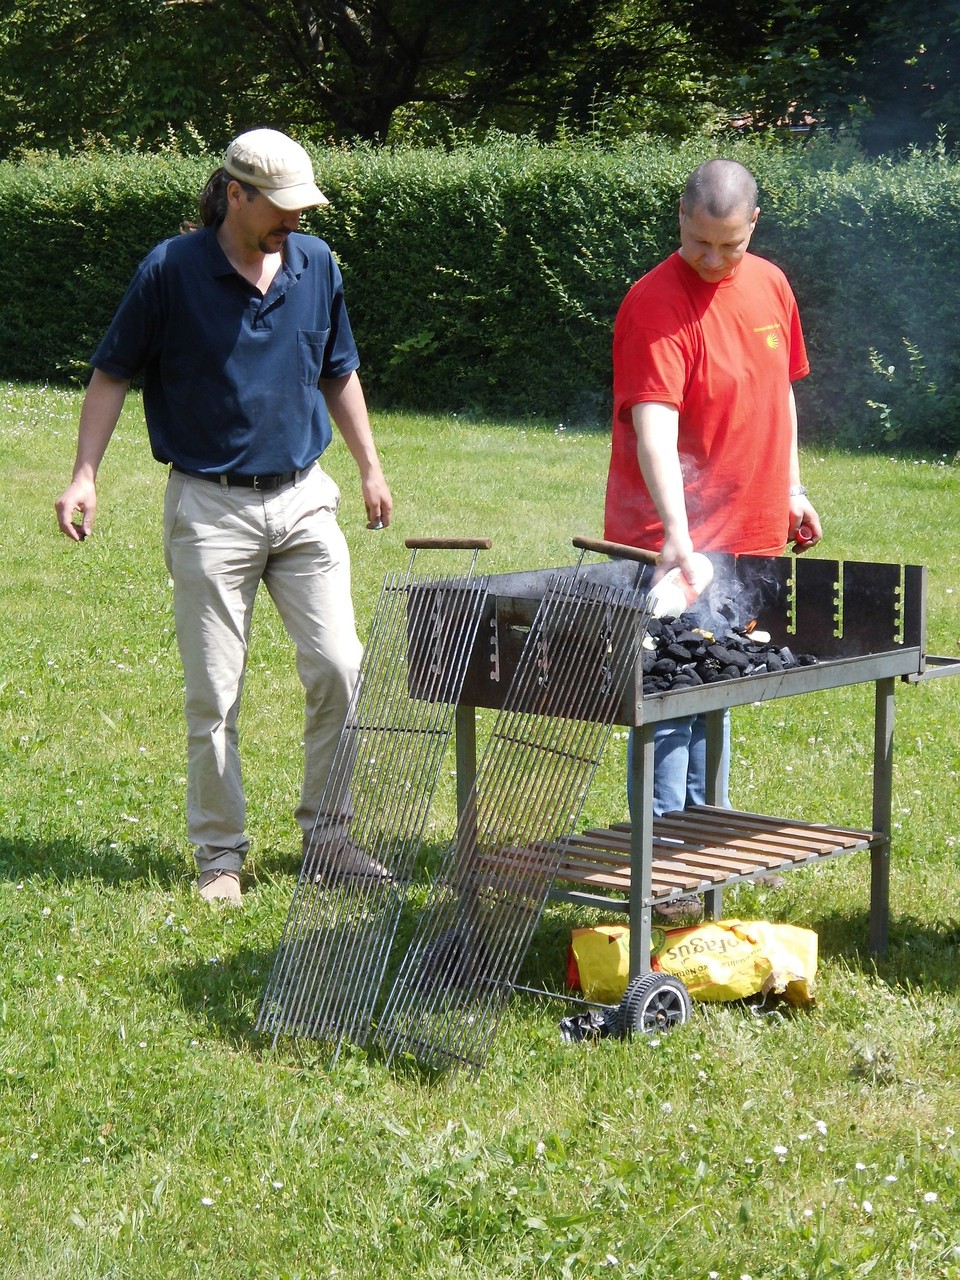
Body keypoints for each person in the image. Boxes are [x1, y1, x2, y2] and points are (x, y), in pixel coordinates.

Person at [55, 127, 393, 905]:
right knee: (216, 692)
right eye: (280, 208)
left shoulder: (316, 265)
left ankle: (330, 837)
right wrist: (83, 475)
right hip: (210, 505)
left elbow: (339, 370)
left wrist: (370, 466)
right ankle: (219, 857)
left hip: (305, 499)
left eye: (301, 208)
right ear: (234, 194)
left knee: (342, 665)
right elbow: (111, 374)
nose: (293, 222)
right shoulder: (171, 271)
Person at [604, 158, 822, 870]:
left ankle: (707, 863)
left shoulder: (771, 284)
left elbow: (780, 391)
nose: (713, 259)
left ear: (753, 225)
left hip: (748, 530)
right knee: (666, 703)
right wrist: (675, 535)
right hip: (669, 542)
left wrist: (791, 488)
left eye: (730, 246)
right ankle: (663, 866)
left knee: (718, 682)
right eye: (701, 243)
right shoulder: (654, 302)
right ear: (681, 215)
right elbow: (654, 428)